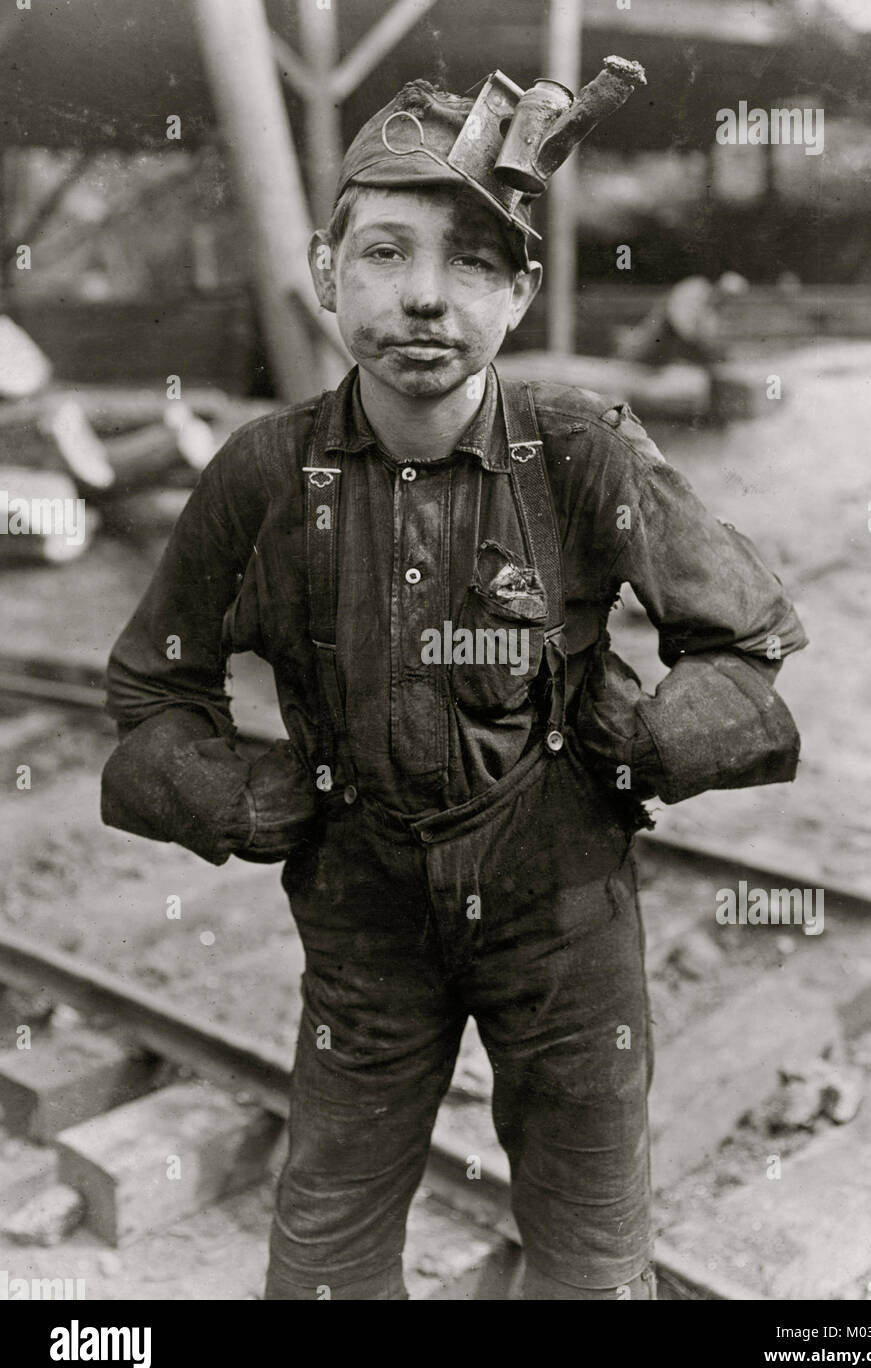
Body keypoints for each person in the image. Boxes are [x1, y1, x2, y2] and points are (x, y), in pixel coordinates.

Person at [101, 73, 807, 1301]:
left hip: (564, 921)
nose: (425, 294)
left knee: (589, 1256)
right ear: (326, 270)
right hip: (364, 929)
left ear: (520, 291)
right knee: (323, 1256)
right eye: (385, 251)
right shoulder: (263, 477)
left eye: (474, 262)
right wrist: (243, 799)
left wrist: (645, 748)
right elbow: (152, 693)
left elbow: (746, 647)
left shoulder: (583, 449)